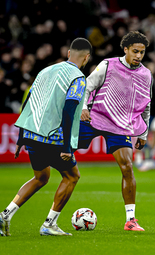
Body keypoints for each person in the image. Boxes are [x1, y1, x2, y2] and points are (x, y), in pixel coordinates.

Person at [0, 38, 92, 236]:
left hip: (32, 134)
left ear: (68, 53)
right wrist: (67, 146)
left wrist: (21, 137)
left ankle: (5, 215)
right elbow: (69, 110)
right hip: (53, 138)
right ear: (87, 58)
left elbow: (29, 101)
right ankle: (49, 224)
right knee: (72, 176)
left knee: (41, 177)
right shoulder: (78, 78)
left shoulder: (45, 71)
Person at [79, 31, 152, 231]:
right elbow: (86, 86)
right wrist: (83, 107)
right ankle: (49, 214)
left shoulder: (146, 74)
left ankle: (131, 220)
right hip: (94, 117)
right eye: (135, 51)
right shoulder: (108, 65)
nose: (138, 56)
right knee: (59, 152)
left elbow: (145, 105)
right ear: (126, 49)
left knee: (127, 166)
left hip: (120, 126)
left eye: (142, 52)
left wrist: (143, 133)